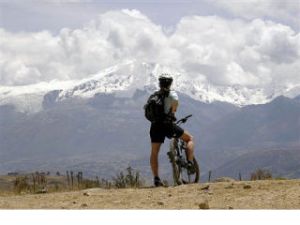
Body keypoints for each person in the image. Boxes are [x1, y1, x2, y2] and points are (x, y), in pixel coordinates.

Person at [149, 74, 195, 187]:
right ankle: (189, 162)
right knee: (189, 138)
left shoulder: (154, 96)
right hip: (168, 125)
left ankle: (156, 178)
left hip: (155, 126)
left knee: (154, 153)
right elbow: (174, 110)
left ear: (159, 83)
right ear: (170, 83)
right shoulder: (173, 95)